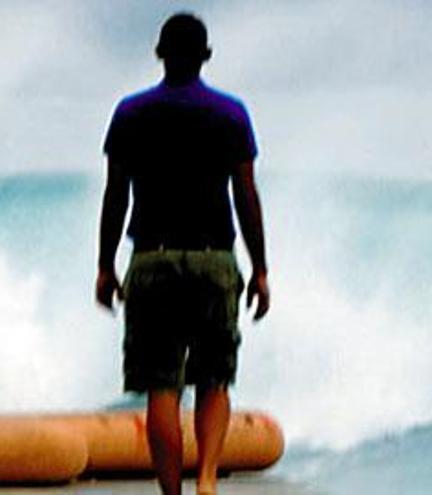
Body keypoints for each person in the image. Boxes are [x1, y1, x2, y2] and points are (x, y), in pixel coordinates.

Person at [95, 12, 269, 495]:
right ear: (205, 56)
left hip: (153, 258)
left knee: (162, 387)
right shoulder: (231, 114)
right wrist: (260, 270)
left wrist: (105, 266)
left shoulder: (131, 114)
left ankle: (172, 493)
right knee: (215, 379)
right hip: (215, 258)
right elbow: (246, 195)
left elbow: (116, 196)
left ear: (159, 54)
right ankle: (208, 479)